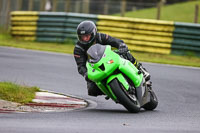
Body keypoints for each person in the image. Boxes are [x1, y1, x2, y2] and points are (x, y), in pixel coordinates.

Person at [73, 20, 150, 97]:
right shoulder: (78, 49)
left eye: (87, 36)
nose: (85, 39)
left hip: (109, 58)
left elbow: (114, 41)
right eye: (82, 37)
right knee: (92, 90)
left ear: (93, 33)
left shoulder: (100, 37)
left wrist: (121, 45)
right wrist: (85, 74)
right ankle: (112, 91)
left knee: (126, 53)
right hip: (96, 67)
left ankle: (140, 69)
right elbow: (80, 66)